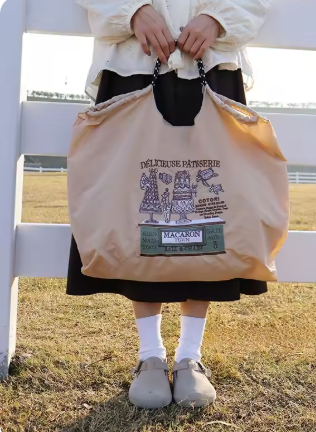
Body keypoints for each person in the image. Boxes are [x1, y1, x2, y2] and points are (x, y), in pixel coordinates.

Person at [68, 0, 272, 409]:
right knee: (137, 211)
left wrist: (218, 18)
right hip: (134, 60)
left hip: (211, 59)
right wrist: (132, 10)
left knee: (211, 207)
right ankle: (150, 355)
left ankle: (189, 356)